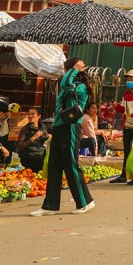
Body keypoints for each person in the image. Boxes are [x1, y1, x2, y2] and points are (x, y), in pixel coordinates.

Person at [33, 60, 94, 216]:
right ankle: (50, 206)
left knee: (71, 165)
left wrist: (74, 69)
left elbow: (65, 84)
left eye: (65, 70)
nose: (64, 73)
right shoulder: (69, 86)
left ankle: (85, 201)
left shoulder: (80, 87)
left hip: (72, 127)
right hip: (60, 127)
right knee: (54, 165)